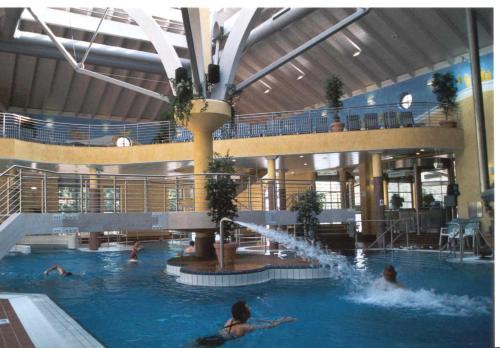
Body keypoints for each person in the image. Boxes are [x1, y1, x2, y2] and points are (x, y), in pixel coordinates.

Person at [195, 301, 295, 346]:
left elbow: (258, 319)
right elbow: (270, 326)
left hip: (216, 336)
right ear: (243, 314)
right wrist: (283, 320)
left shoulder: (230, 320)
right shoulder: (246, 327)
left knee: (198, 343)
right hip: (219, 342)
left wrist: (271, 320)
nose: (249, 309)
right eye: (248, 309)